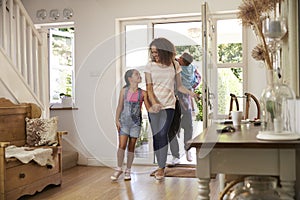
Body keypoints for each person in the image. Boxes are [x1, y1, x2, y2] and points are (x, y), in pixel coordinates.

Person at [145, 38, 198, 180]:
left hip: (169, 105)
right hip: (153, 105)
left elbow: (179, 86)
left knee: (163, 134)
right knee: (157, 136)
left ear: (164, 51)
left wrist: (191, 93)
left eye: (156, 51)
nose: (154, 54)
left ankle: (161, 168)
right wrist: (155, 103)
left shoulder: (174, 65)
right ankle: (160, 165)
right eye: (152, 52)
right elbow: (149, 88)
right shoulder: (149, 66)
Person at [111, 69, 151, 181]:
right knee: (121, 146)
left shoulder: (143, 93)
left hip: (136, 124)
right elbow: (120, 106)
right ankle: (119, 168)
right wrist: (117, 120)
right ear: (130, 79)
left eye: (139, 74)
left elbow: (148, 107)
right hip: (124, 123)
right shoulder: (124, 91)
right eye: (136, 74)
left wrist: (154, 109)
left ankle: (128, 169)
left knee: (131, 147)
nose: (139, 75)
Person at [169, 52, 196, 164]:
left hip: (184, 97)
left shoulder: (182, 67)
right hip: (175, 98)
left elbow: (193, 80)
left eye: (180, 58)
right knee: (172, 129)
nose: (178, 59)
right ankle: (176, 155)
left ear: (184, 62)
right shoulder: (189, 66)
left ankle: (187, 148)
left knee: (188, 125)